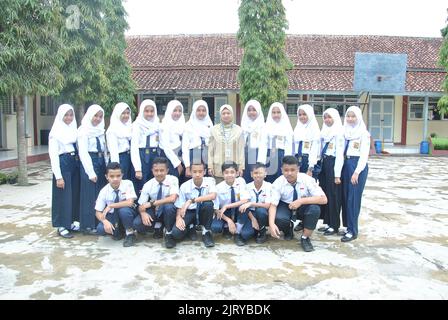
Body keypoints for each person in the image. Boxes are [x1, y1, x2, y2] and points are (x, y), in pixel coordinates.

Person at [269, 156, 327, 252]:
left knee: (314, 209)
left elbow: (324, 199)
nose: (289, 173)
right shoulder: (278, 182)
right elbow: (273, 205)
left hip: (303, 205)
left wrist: (301, 201)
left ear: (298, 169)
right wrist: (271, 224)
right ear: (281, 170)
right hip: (286, 205)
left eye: (293, 170)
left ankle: (305, 238)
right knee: (279, 217)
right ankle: (288, 230)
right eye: (286, 170)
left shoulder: (307, 179)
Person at [49, 104, 80, 238]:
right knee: (62, 196)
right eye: (66, 115)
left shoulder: (73, 130)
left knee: (73, 194)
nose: (69, 118)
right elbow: (53, 155)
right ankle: (61, 225)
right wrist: (58, 177)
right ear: (60, 116)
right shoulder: (55, 133)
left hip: (74, 162)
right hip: (63, 163)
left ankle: (71, 222)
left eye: (71, 115)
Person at [133, 157, 179, 247]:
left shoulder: (173, 179)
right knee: (137, 224)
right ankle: (158, 226)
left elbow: (173, 198)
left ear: (167, 170)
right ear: (152, 171)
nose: (159, 173)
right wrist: (143, 213)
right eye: (156, 170)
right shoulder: (148, 185)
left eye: (162, 170)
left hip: (169, 211)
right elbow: (141, 205)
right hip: (155, 211)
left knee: (168, 206)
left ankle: (169, 233)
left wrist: (152, 203)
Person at [341, 106, 370, 242]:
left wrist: (356, 172)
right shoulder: (345, 132)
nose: (350, 119)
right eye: (348, 116)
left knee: (353, 199)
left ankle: (353, 231)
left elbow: (364, 155)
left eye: (353, 116)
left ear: (358, 117)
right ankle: (348, 227)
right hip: (346, 164)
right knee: (346, 198)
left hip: (357, 166)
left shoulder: (363, 134)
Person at [172, 162, 216, 248]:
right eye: (194, 172)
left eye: (200, 171)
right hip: (190, 212)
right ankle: (190, 227)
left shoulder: (210, 181)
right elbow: (179, 205)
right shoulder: (184, 186)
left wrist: (191, 201)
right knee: (176, 234)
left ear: (204, 172)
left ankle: (206, 232)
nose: (197, 174)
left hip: (203, 211)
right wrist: (178, 218)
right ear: (190, 172)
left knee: (208, 204)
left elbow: (213, 195)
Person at [78, 104, 107, 234]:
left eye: (100, 116)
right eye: (95, 116)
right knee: (89, 195)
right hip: (90, 162)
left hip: (101, 162)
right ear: (89, 115)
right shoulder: (83, 131)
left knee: (99, 194)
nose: (98, 119)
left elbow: (105, 150)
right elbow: (83, 152)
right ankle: (88, 224)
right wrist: (90, 172)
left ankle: (98, 221)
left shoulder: (100, 130)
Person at [95, 162, 138, 247]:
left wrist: (111, 205)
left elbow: (130, 202)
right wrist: (105, 221)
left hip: (128, 213)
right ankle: (119, 231)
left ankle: (130, 233)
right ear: (106, 177)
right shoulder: (104, 191)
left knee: (124, 211)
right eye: (112, 176)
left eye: (118, 176)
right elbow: (98, 211)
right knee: (100, 229)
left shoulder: (128, 184)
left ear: (122, 175)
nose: (115, 179)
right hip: (113, 215)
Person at [317, 108, 345, 236]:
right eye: (325, 117)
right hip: (324, 163)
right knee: (325, 193)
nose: (327, 120)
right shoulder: (325, 132)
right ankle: (328, 223)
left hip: (333, 164)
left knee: (334, 195)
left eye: (330, 117)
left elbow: (340, 155)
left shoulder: (339, 132)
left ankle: (334, 225)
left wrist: (337, 174)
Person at [212, 162, 250, 246]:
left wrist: (227, 205)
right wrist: (228, 220)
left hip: (238, 211)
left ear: (237, 173)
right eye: (226, 172)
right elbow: (215, 208)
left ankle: (237, 232)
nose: (229, 175)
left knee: (245, 207)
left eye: (232, 172)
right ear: (222, 174)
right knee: (215, 227)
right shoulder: (218, 188)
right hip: (224, 213)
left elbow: (245, 200)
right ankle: (226, 226)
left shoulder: (241, 181)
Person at [208, 105, 245, 184]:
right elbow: (210, 149)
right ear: (220, 115)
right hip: (218, 166)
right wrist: (210, 166)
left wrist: (241, 167)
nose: (226, 115)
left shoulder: (239, 130)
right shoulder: (214, 130)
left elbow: (241, 150)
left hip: (234, 166)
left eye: (228, 113)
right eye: (223, 113)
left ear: (232, 114)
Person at [258, 102, 293, 183]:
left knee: (282, 180)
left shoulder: (286, 126)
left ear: (282, 113)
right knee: (270, 180)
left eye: (278, 112)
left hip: (281, 155)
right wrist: (261, 163)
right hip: (269, 155)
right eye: (273, 112)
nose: (276, 115)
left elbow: (288, 145)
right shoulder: (266, 127)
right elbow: (263, 144)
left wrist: (288, 161)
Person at [131, 99, 161, 194]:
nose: (149, 114)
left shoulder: (157, 124)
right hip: (142, 155)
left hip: (155, 155)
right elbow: (134, 147)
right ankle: (141, 206)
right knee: (142, 183)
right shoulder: (137, 125)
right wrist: (138, 168)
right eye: (146, 111)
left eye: (152, 111)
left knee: (154, 181)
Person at [238, 162, 271, 244]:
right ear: (251, 174)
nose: (258, 175)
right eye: (255, 173)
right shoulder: (247, 187)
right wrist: (253, 219)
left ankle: (262, 231)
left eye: (261, 173)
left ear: (265, 174)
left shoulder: (269, 186)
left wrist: (251, 203)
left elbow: (267, 205)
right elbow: (245, 206)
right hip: (250, 213)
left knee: (261, 211)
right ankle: (255, 230)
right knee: (245, 234)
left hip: (264, 213)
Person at [182, 100, 213, 178]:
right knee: (194, 179)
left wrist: (211, 165)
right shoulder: (188, 125)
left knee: (207, 181)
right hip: (194, 155)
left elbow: (213, 146)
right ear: (194, 111)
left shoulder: (210, 125)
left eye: (203, 110)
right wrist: (187, 167)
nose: (201, 113)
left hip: (207, 155)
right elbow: (185, 148)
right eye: (198, 110)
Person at [106, 102, 134, 180]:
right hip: (120, 159)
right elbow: (113, 151)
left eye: (128, 113)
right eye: (123, 113)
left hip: (129, 158)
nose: (126, 116)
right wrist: (116, 168)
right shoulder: (112, 130)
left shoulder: (129, 127)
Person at [293, 104, 321, 179]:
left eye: (304, 114)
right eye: (300, 115)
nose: (302, 117)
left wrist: (310, 168)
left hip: (308, 161)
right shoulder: (297, 128)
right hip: (297, 160)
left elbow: (314, 149)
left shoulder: (314, 129)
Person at [159, 100, 185, 179]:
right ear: (170, 111)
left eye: (180, 111)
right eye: (175, 110)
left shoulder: (182, 124)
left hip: (180, 157)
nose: (177, 113)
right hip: (169, 158)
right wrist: (177, 164)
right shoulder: (165, 125)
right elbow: (166, 147)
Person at [241, 99, 265, 183]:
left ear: (258, 111)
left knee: (256, 178)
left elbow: (263, 145)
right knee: (245, 179)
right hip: (245, 157)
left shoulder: (263, 127)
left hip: (257, 157)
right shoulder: (243, 126)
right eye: (249, 110)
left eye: (254, 110)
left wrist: (260, 162)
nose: (251, 112)